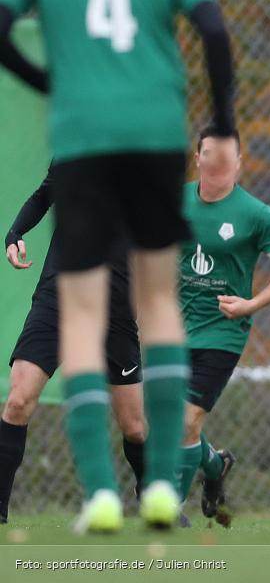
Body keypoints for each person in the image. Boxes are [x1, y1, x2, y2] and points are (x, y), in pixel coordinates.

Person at [0, 0, 236, 532]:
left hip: (85, 131)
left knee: (108, 365)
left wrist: (51, 84)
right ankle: (154, 491)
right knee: (160, 306)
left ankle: (107, 493)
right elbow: (214, 30)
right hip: (156, 131)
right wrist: (222, 123)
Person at [0, 164, 145, 525]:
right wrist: (14, 233)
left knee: (135, 426)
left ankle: (154, 498)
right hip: (58, 295)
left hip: (114, 305)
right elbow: (42, 196)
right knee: (18, 399)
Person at [177, 128, 270, 527]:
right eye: (210, 154)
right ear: (198, 158)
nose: (218, 163)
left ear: (239, 164)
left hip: (223, 332)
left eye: (227, 156)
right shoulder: (174, 202)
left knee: (186, 420)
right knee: (168, 421)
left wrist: (251, 303)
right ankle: (214, 467)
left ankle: (168, 509)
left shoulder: (255, 214)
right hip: (173, 328)